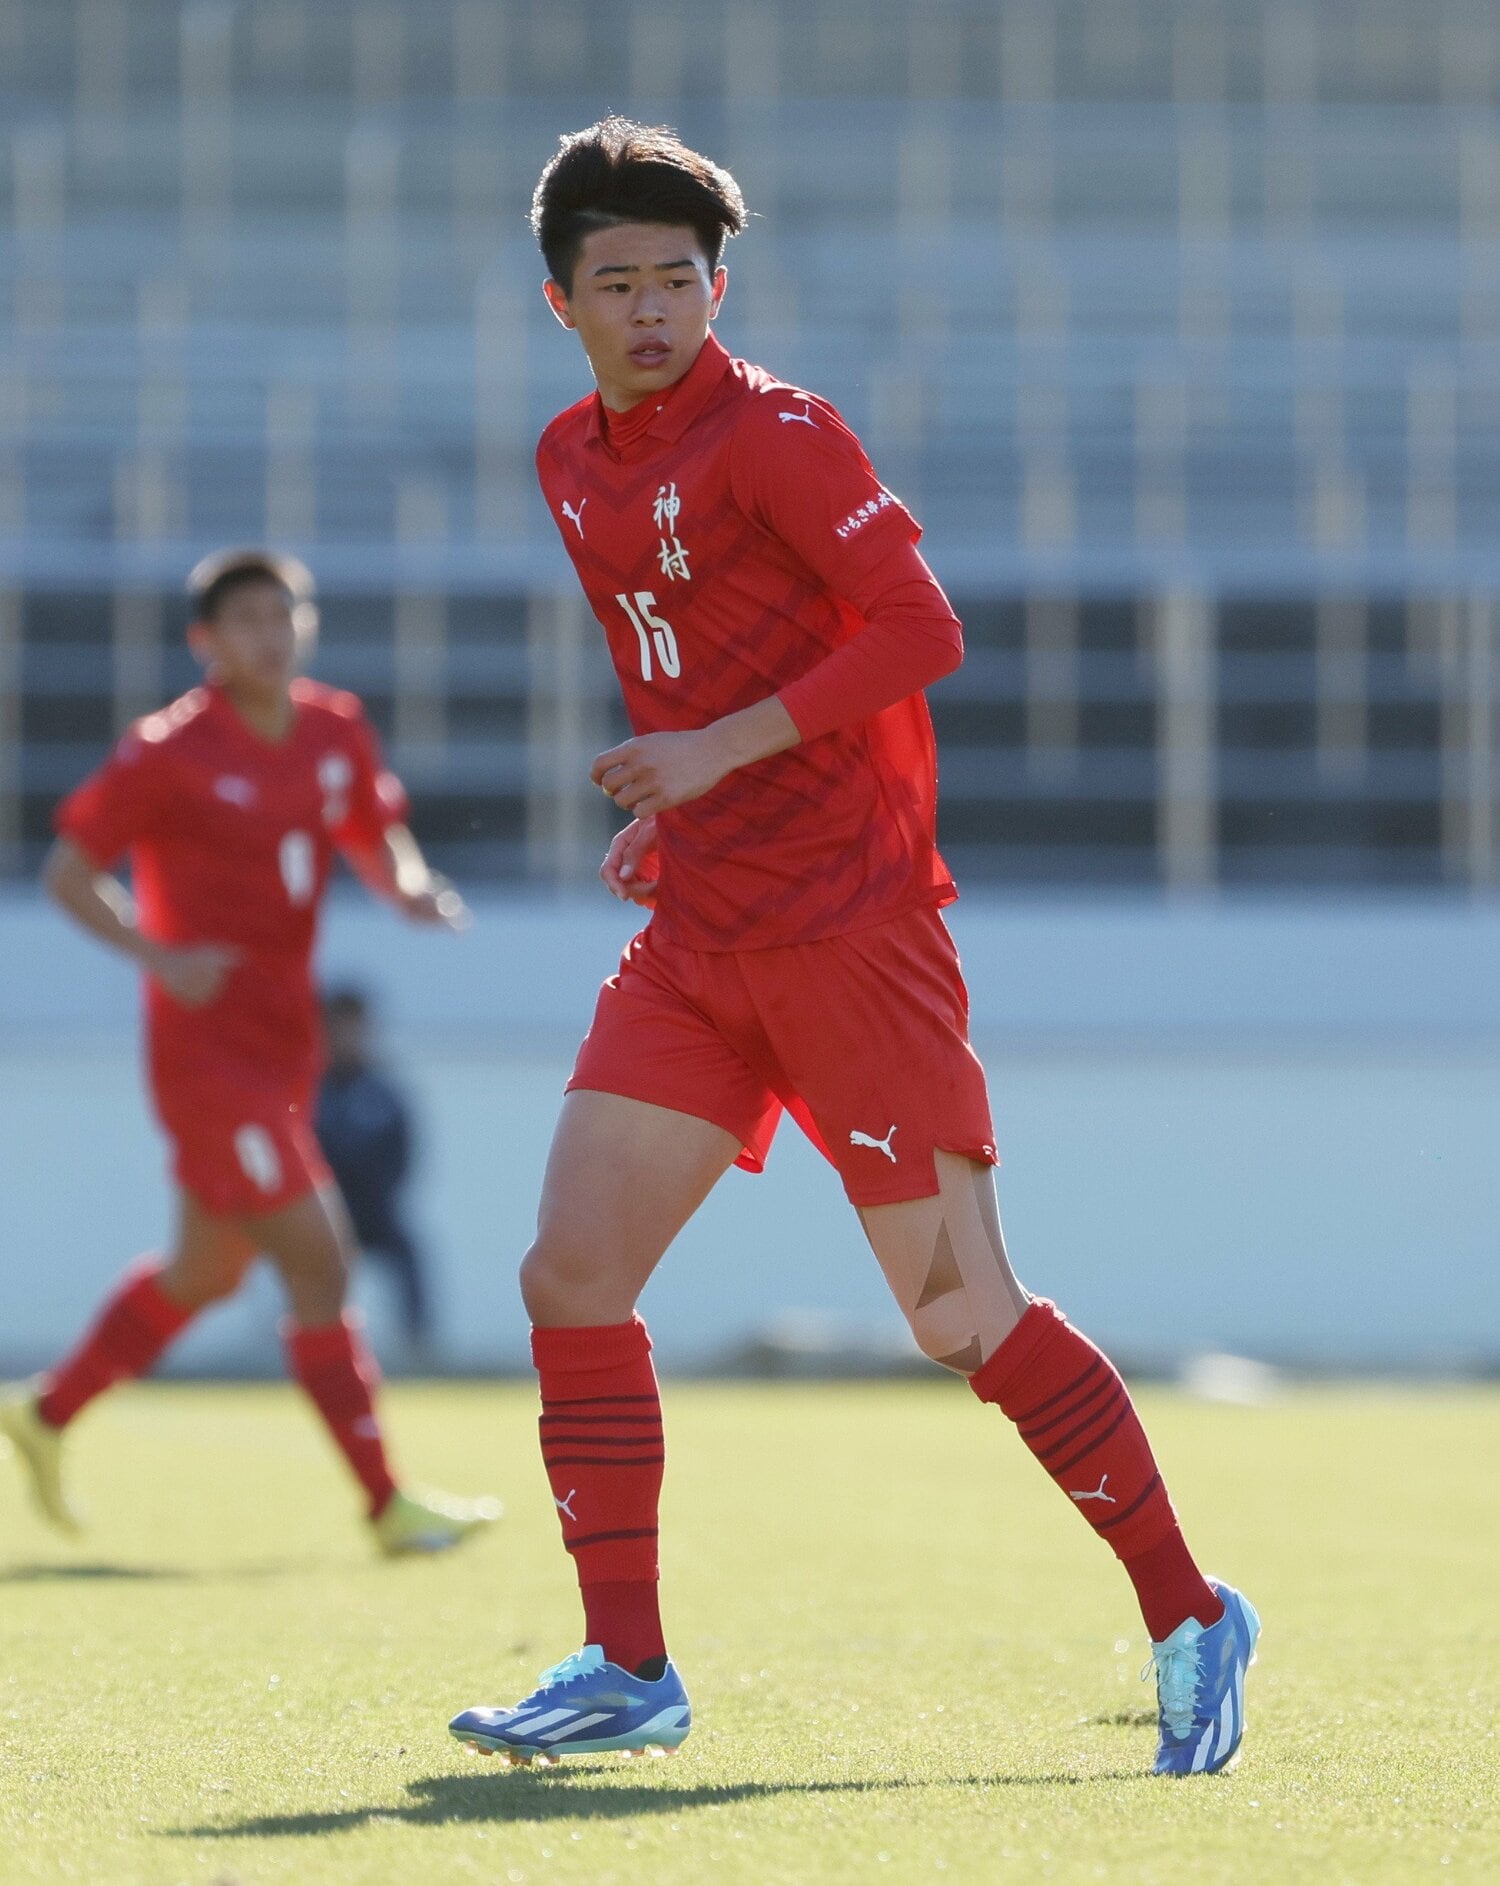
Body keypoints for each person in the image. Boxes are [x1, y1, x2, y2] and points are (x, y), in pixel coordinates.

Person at [447, 120, 1257, 1774]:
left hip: (852, 937)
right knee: (572, 1272)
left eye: (682, 278)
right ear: (563, 304)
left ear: (717, 286)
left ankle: (1191, 1613)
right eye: (621, 282)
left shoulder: (784, 436)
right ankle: (628, 1666)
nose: (656, 307)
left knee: (963, 1319)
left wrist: (710, 759)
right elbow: (707, 663)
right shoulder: (567, 459)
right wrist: (680, 810)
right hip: (701, 938)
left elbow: (921, 630)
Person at [0, 549, 499, 1556]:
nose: (271, 634)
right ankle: (385, 1502)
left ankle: (46, 1412)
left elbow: (372, 829)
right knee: (323, 1260)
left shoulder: (333, 726)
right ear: (207, 641)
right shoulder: (166, 749)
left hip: (283, 1043)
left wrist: (405, 886)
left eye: (286, 614)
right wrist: (157, 953)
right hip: (204, 1055)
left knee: (205, 1269)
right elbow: (69, 870)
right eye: (248, 619)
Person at [316, 985, 433, 1358]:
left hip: (375, 1211)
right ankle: (315, 1349)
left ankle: (418, 1350)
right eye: (338, 1029)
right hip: (324, 1213)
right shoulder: (309, 1091)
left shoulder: (382, 1092)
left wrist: (383, 1195)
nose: (347, 1039)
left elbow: (404, 1151)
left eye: (355, 1028)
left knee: (410, 1257)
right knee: (301, 1262)